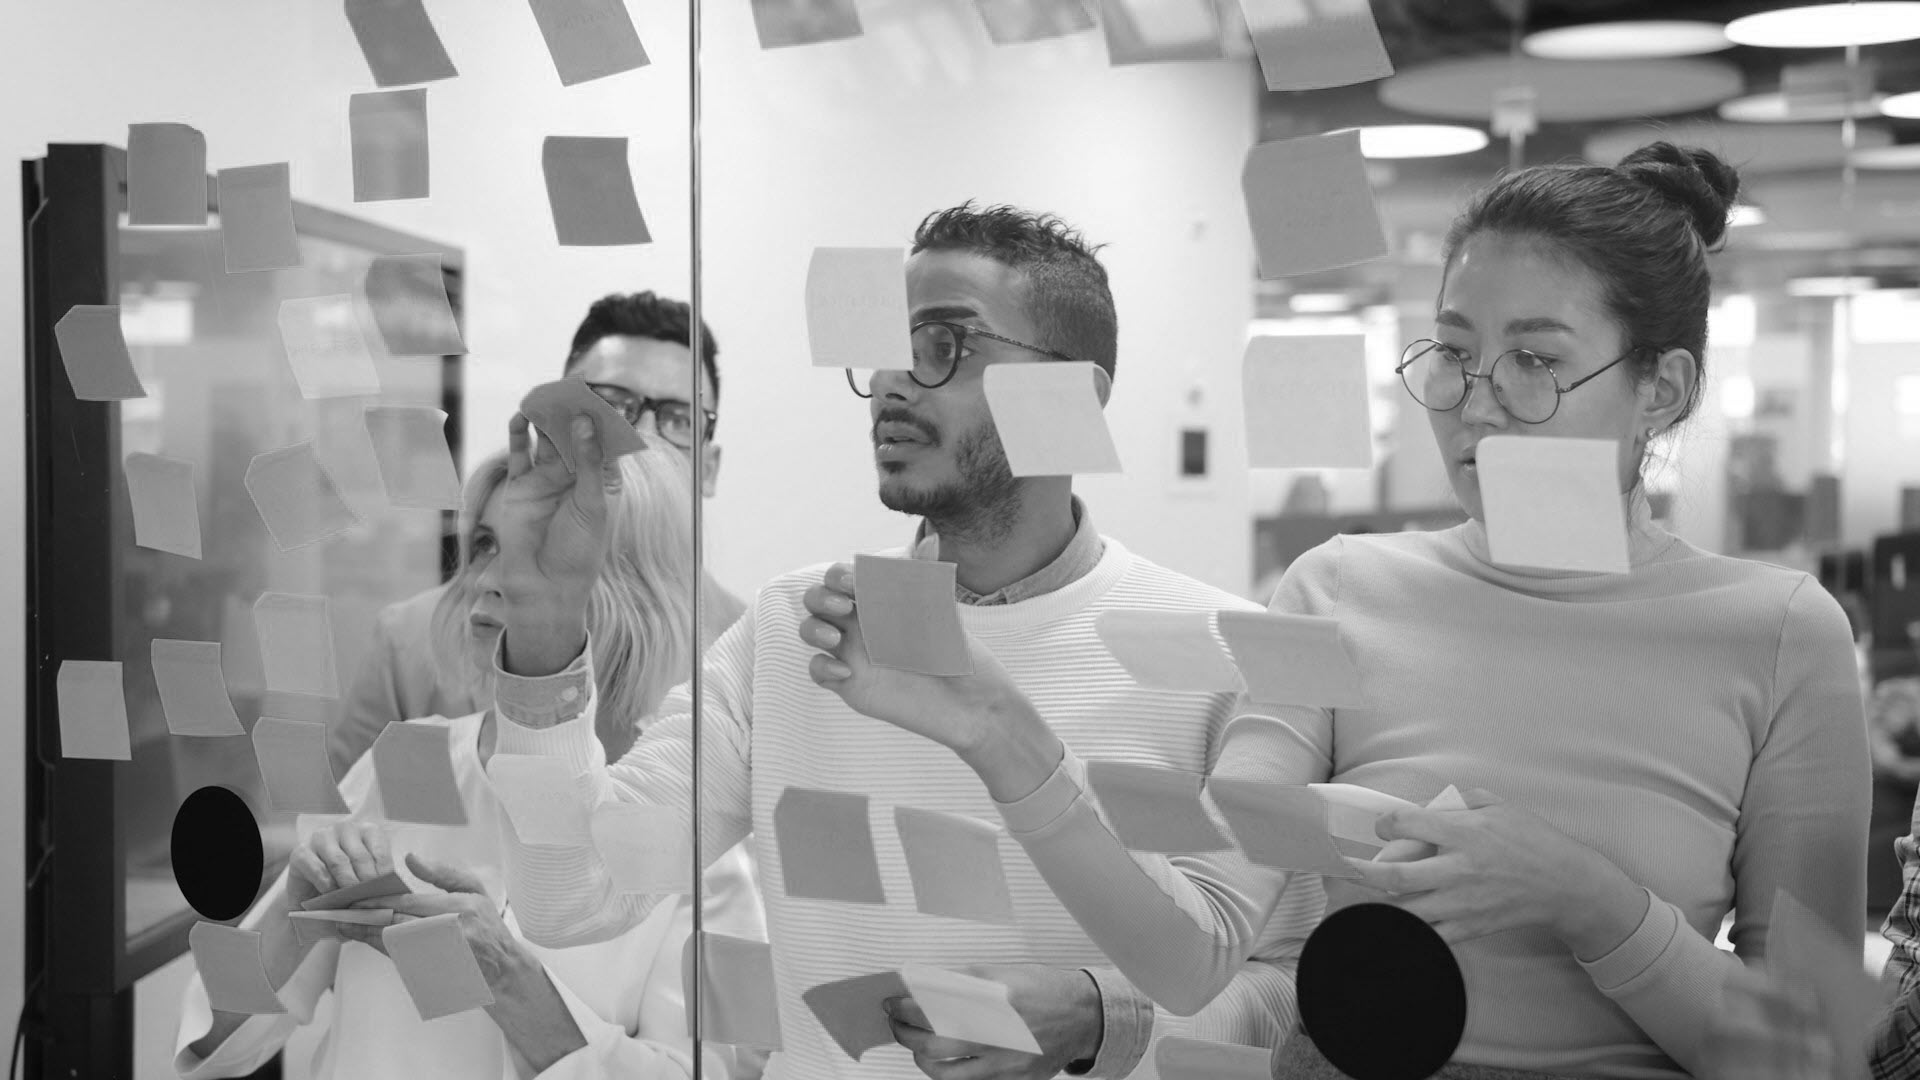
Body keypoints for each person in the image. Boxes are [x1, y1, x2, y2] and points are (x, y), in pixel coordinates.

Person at [803, 147, 1870, 1078]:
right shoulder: (1338, 590)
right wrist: (998, 733)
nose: (1477, 401)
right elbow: (1189, 953)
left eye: (1536, 361)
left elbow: (1812, 1054)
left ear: (1662, 390)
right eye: (1454, 353)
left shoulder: (1779, 634)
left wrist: (1591, 902)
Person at [481, 204, 1305, 1080]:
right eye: (883, 350)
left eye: (944, 344)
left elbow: (1290, 999)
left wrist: (1101, 1017)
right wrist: (545, 616)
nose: (890, 384)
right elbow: (572, 897)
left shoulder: (1225, 658)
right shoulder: (796, 627)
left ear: (1075, 396)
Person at [174, 445, 765, 1080]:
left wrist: (510, 980)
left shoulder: (700, 836)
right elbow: (212, 1050)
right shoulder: (410, 759)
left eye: (538, 550)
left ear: (635, 586)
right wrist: (293, 919)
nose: (489, 578)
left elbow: (718, 1073)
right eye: (484, 544)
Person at [329, 290, 745, 776]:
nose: (639, 440)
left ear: (710, 469)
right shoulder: (411, 644)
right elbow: (341, 815)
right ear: (556, 425)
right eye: (610, 408)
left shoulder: (749, 656)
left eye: (679, 420)